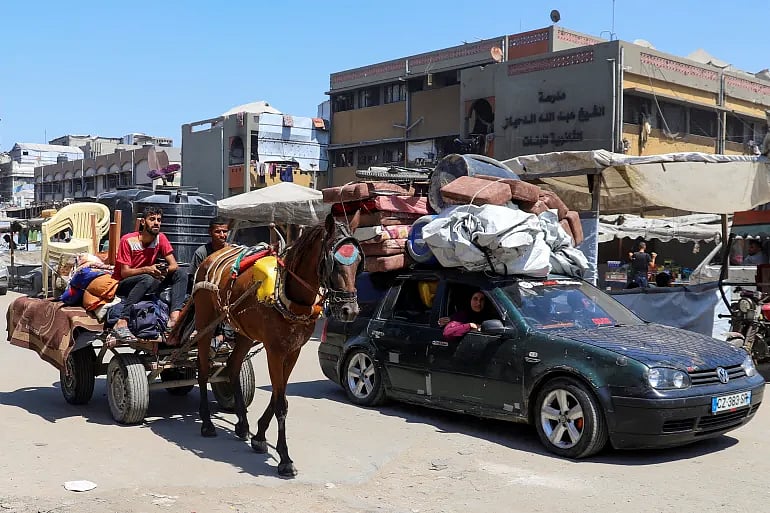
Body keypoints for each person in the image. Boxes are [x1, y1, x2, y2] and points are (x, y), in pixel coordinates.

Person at [110, 206, 186, 342]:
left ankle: (174, 318)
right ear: (143, 222)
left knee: (180, 273)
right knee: (147, 278)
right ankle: (122, 321)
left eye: (159, 220)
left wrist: (163, 271)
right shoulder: (127, 240)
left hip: (150, 279)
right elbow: (124, 272)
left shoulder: (160, 238)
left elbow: (174, 265)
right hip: (125, 283)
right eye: (152, 219)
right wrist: (148, 269)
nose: (156, 223)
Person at [190, 218, 234, 350]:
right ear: (210, 232)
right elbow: (195, 279)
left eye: (225, 231)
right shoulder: (202, 253)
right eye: (218, 232)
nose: (222, 235)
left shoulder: (233, 251)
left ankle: (223, 337)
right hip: (206, 294)